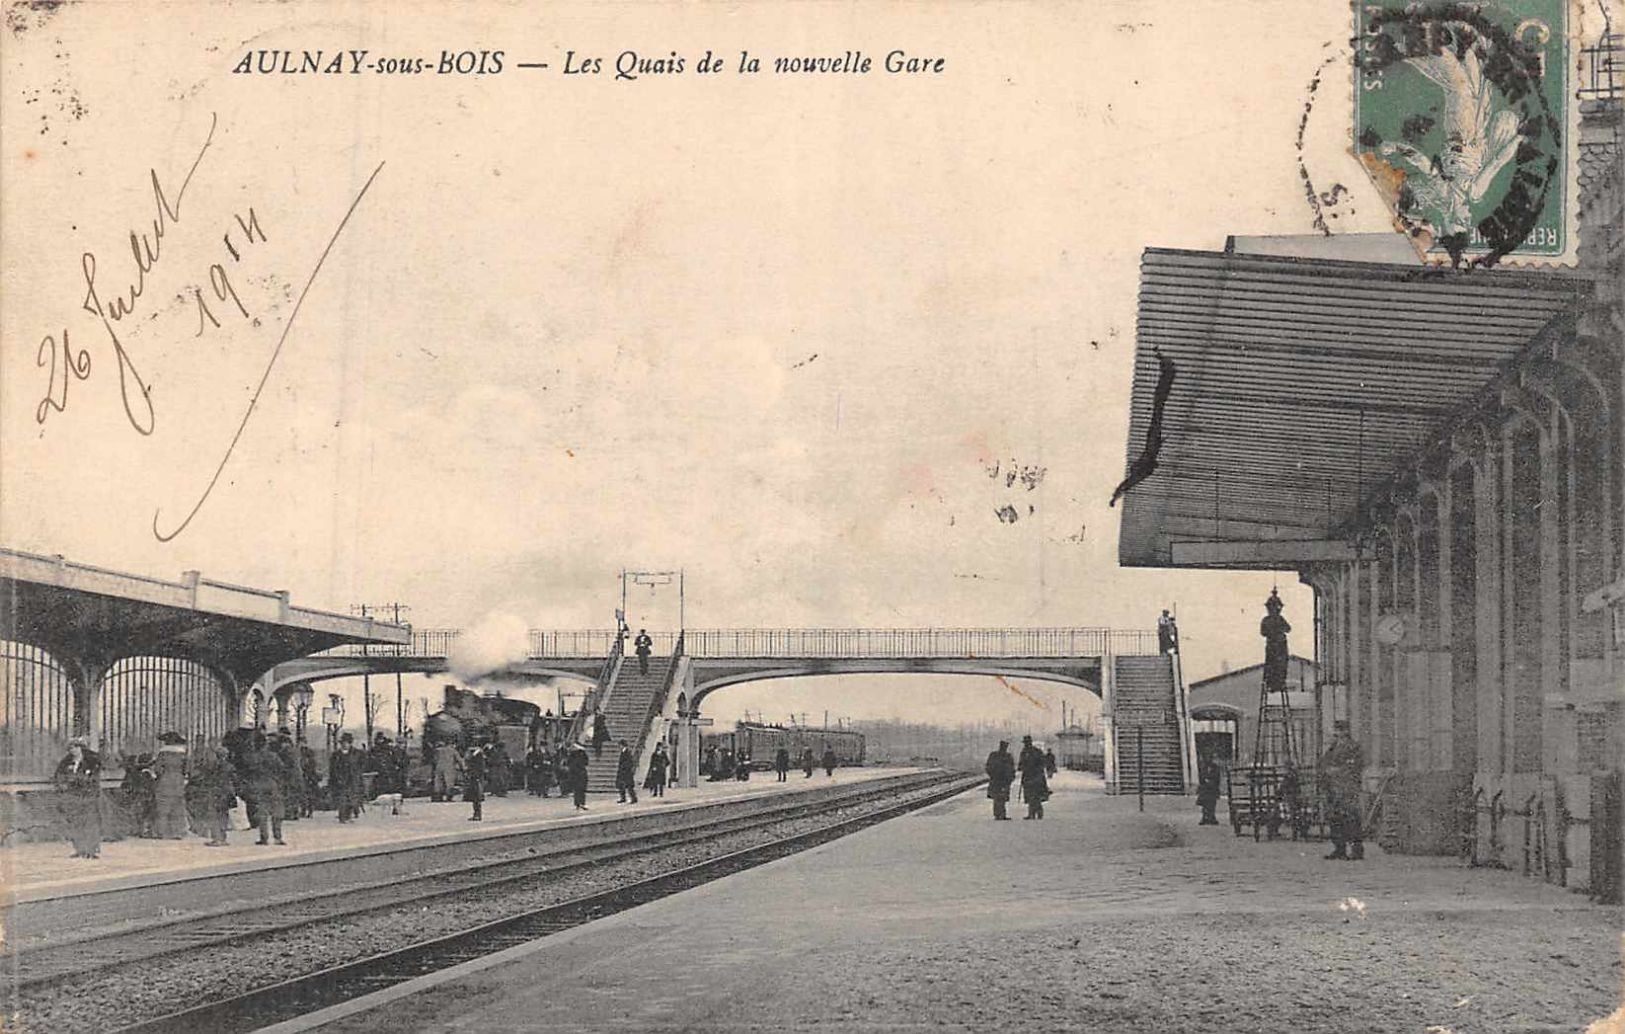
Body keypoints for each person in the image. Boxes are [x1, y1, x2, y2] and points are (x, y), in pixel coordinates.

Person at [1319, 721, 1365, 861]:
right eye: (1336, 731)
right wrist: (1326, 772)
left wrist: (1337, 771)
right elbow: (1323, 762)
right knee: (1335, 819)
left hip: (1347, 788)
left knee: (1351, 818)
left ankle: (1356, 850)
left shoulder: (1354, 747)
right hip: (1333, 788)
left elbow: (1355, 767)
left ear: (1345, 731)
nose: (1336, 733)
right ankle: (1339, 848)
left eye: (1339, 730)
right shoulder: (1333, 747)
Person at [53, 737, 104, 858]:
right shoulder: (66, 762)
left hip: (88, 795)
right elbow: (59, 776)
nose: (73, 750)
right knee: (76, 822)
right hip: (73, 796)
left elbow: (94, 778)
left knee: (90, 822)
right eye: (70, 748)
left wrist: (78, 780)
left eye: (76, 747)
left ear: (81, 748)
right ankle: (79, 848)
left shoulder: (92, 761)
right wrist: (63, 785)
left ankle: (91, 850)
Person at [242, 732, 288, 845]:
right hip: (273, 784)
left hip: (258, 785)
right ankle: (278, 837)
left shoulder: (253, 757)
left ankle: (264, 837)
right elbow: (282, 768)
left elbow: (248, 770)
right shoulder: (273, 756)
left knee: (262, 813)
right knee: (276, 811)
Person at [188, 744, 236, 846]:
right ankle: (223, 837)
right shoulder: (230, 767)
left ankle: (216, 838)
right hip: (226, 792)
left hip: (214, 792)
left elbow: (203, 776)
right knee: (224, 815)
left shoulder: (211, 766)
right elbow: (235, 780)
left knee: (214, 815)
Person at [150, 732, 190, 838]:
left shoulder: (163, 754)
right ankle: (177, 832)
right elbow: (187, 769)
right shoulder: (183, 754)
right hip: (178, 782)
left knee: (163, 808)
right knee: (177, 807)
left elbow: (157, 769)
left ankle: (161, 832)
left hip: (165, 781)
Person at [329, 732, 366, 823]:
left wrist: (357, 774)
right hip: (340, 779)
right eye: (343, 743)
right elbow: (333, 768)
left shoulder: (357, 753)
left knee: (351, 798)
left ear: (350, 743)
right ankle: (342, 816)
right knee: (342, 799)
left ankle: (349, 815)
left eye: (346, 743)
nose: (344, 745)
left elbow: (361, 765)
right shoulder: (336, 755)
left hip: (352, 779)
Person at [1261, 589, 1292, 694]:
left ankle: (1276, 684)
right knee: (1275, 665)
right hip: (1276, 646)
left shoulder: (1270, 619)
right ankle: (1275, 684)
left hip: (1276, 646)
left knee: (1276, 665)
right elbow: (1263, 632)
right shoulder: (1273, 619)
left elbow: (1288, 629)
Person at [274, 729, 303, 822]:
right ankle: (294, 813)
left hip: (290, 776)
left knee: (289, 794)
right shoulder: (294, 750)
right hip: (296, 775)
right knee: (293, 795)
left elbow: (287, 765)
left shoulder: (286, 751)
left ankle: (290, 813)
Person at [984, 741, 1015, 821]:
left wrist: (992, 775)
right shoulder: (1007, 756)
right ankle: (1000, 814)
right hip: (1002, 780)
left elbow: (988, 767)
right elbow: (1012, 769)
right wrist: (1011, 778)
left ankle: (999, 814)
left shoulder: (994, 755)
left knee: (998, 797)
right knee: (1000, 797)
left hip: (997, 780)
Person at [1020, 748, 1050, 819]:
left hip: (1033, 777)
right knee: (1034, 795)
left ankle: (1034, 813)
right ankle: (1034, 813)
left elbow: (1021, 765)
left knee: (1033, 795)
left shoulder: (1028, 752)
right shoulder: (1029, 752)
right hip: (1034, 777)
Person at [1196, 756, 1222, 825]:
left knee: (1212, 803)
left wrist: (1211, 781)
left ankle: (1212, 817)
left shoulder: (1215, 767)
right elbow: (1201, 776)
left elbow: (1217, 778)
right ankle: (1204, 817)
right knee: (1204, 802)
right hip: (1204, 788)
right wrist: (1205, 780)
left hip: (1212, 788)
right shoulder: (1203, 767)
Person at [465, 742, 488, 821]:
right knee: (475, 797)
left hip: (476, 777)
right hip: (475, 777)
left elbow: (478, 767)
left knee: (476, 796)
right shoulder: (478, 755)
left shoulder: (478, 755)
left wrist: (476, 776)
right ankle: (476, 814)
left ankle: (477, 814)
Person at [298, 737, 320, 817]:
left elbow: (312, 764)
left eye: (302, 742)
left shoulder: (308, 753)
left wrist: (310, 774)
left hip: (309, 776)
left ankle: (309, 811)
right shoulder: (299, 752)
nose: (301, 744)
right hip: (304, 775)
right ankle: (304, 810)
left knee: (308, 794)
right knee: (303, 794)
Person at [566, 741, 590, 810]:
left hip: (579, 774)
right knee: (578, 789)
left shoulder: (581, 754)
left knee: (580, 789)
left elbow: (586, 762)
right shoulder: (573, 754)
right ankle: (579, 803)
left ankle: (580, 803)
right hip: (577, 774)